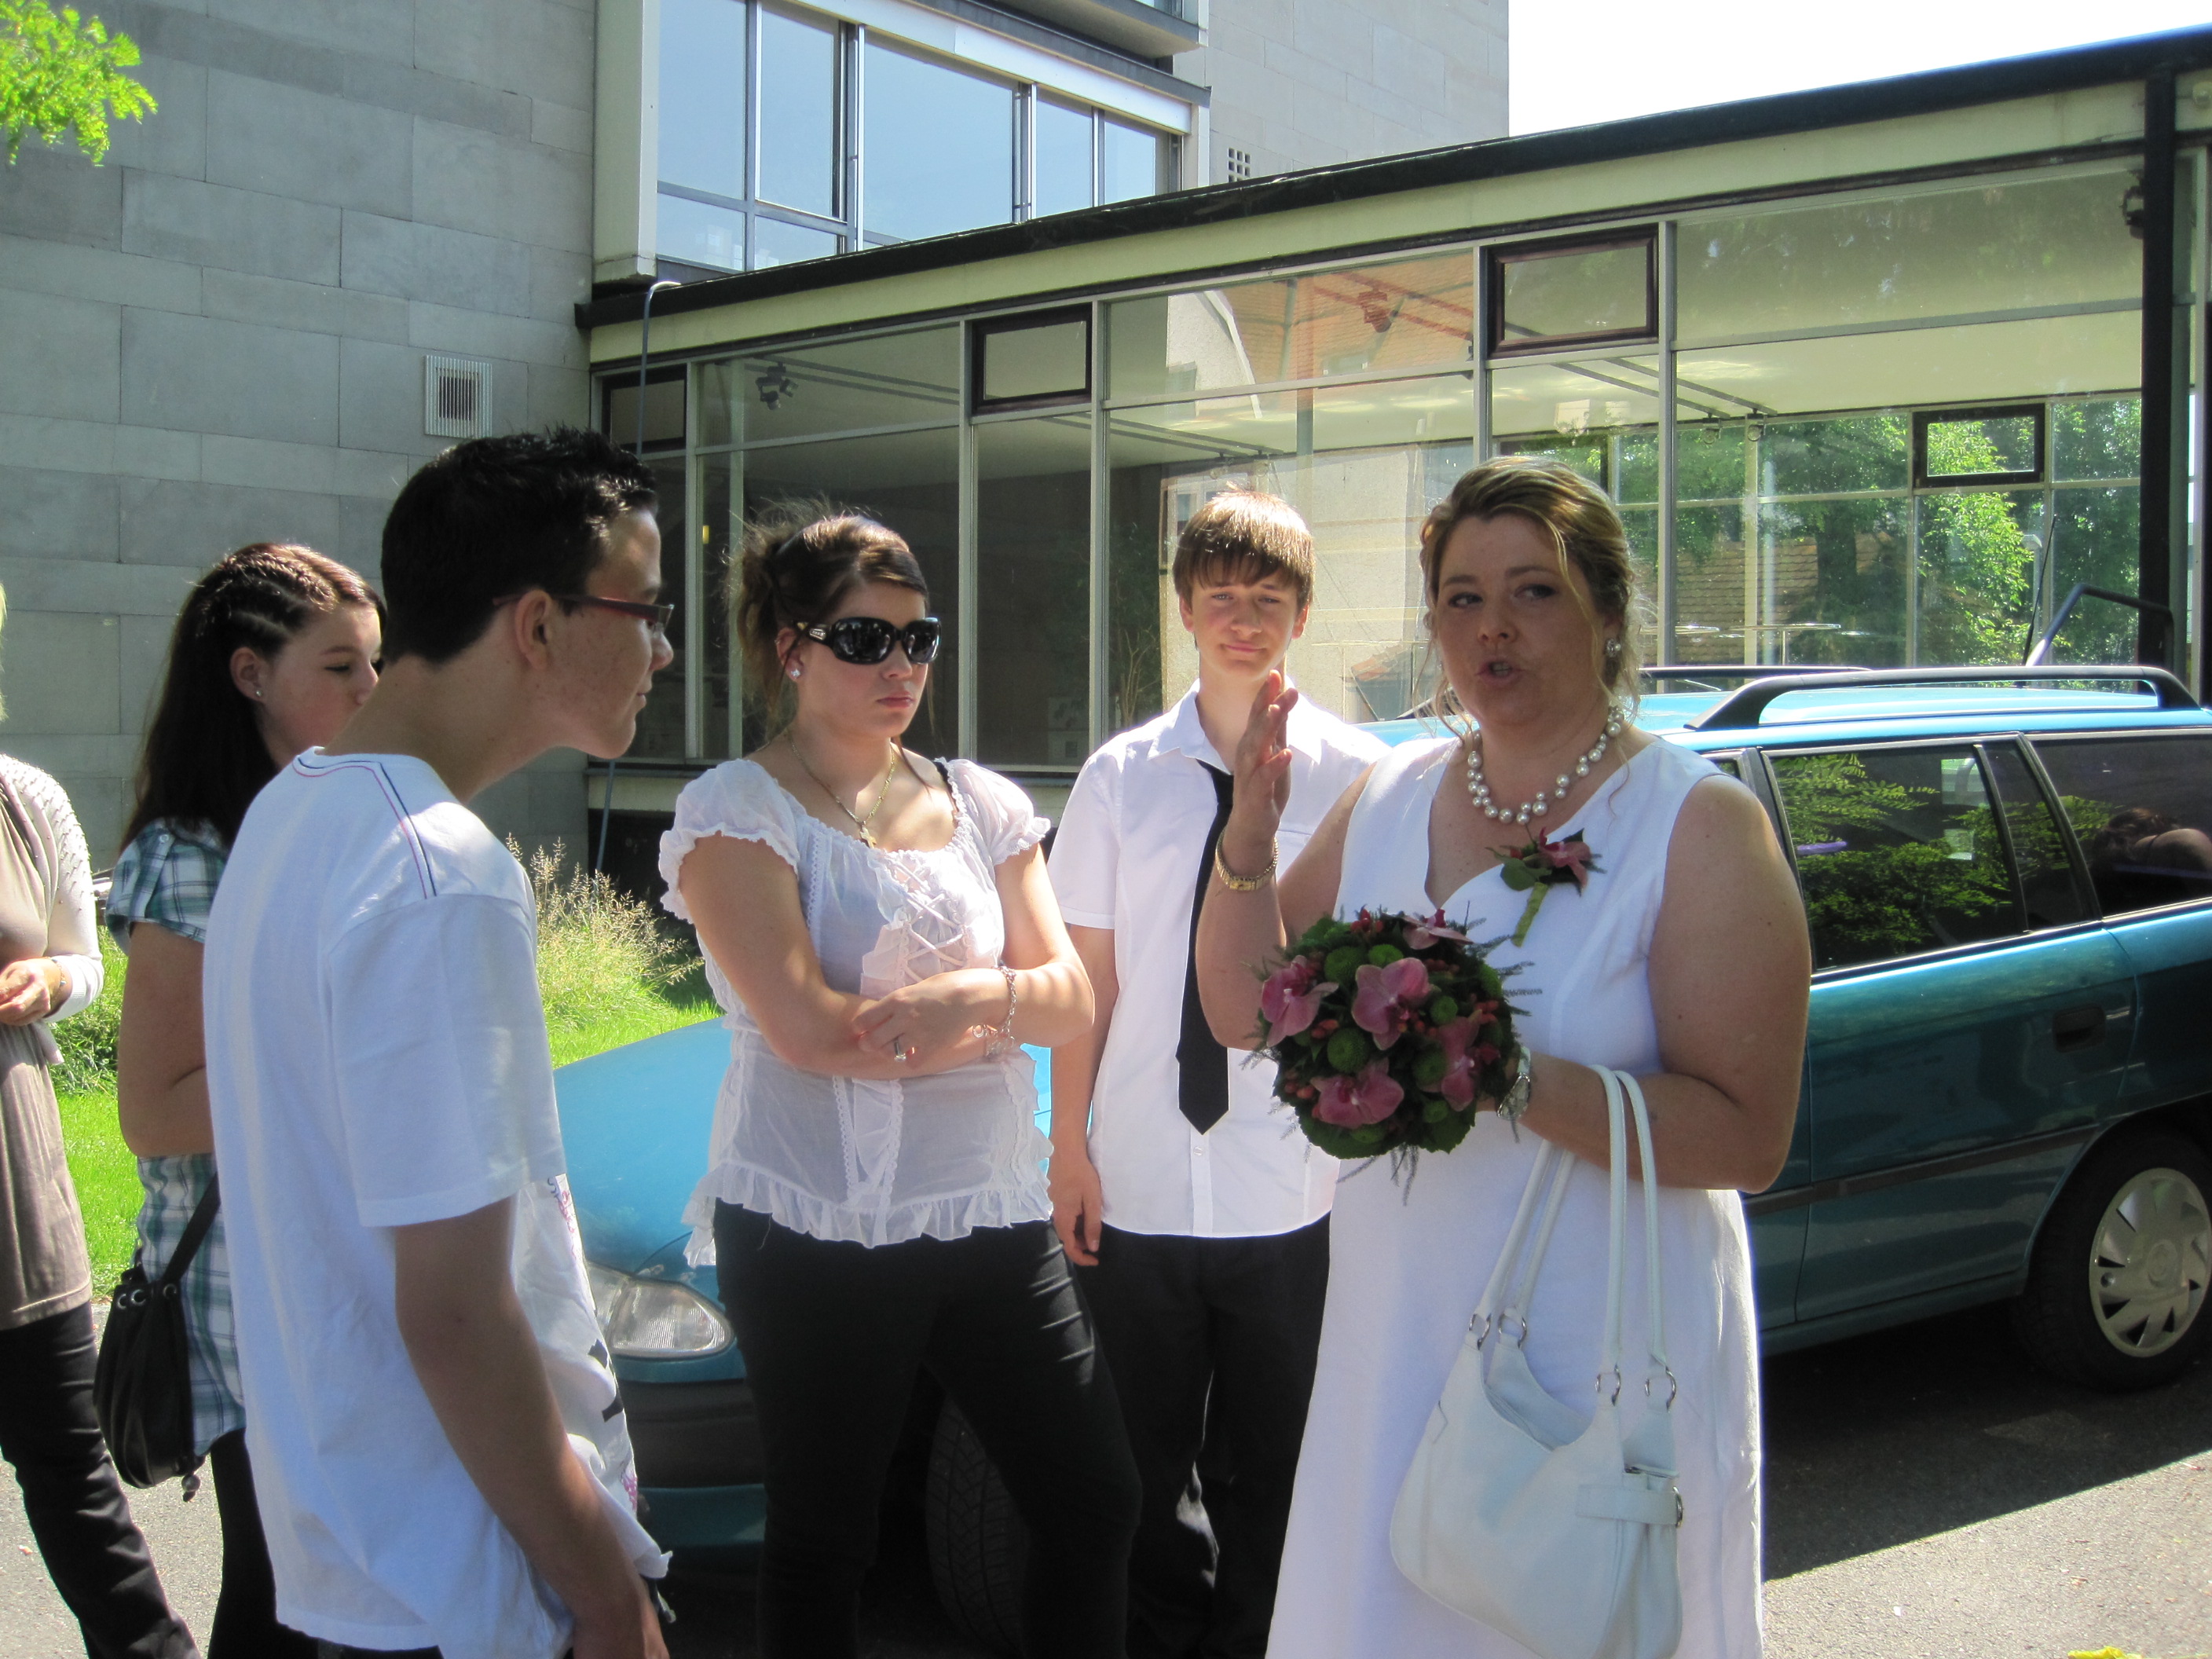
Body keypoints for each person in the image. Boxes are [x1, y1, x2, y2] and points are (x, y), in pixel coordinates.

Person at [1196, 457, 1811, 1657]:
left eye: (1533, 591)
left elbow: (1750, 1138)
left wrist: (1501, 1072)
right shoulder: (1388, 794)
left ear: (1609, 613)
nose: (1493, 628)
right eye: (1462, 599)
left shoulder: (1693, 825)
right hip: (1398, 1315)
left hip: (1598, 1330)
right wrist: (1247, 847)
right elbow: (1243, 1013)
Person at [200, 430, 675, 1659]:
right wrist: (607, 1598)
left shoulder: (292, 811)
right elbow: (457, 1311)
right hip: (473, 1586)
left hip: (360, 1558)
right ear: (538, 625)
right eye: (647, 611)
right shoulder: (437, 873)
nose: (664, 652)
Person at [660, 507, 1140, 1659]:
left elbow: (1073, 999)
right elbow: (815, 1034)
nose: (902, 666)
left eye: (918, 639)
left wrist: (968, 1001)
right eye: (865, 639)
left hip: (984, 1208)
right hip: (815, 1223)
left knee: (1095, 1501)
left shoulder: (981, 803)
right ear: (790, 646)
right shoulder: (739, 812)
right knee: (826, 1542)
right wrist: (1002, 1011)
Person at [1046, 489, 1386, 1658]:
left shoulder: (1362, 777)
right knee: (1139, 1477)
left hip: (1295, 1188)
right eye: (1223, 596)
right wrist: (1069, 1146)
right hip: (1139, 1182)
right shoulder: (1120, 775)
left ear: (1303, 614)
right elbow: (1089, 980)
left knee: (1278, 1476)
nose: (1245, 619)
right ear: (1186, 609)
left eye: (1270, 598)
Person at [109, 543, 383, 1657]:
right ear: (250, 675)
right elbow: (155, 1110)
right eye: (342, 668)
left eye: (377, 664)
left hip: (349, 1257)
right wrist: (352, 1071)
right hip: (248, 1279)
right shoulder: (191, 853)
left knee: (354, 1588)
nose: (372, 692)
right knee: (282, 1597)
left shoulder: (344, 821)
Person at [0, 586, 198, 1658]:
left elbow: (83, 959)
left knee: (71, 1469)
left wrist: (51, 982)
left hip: (11, 1192)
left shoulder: (24, 800)